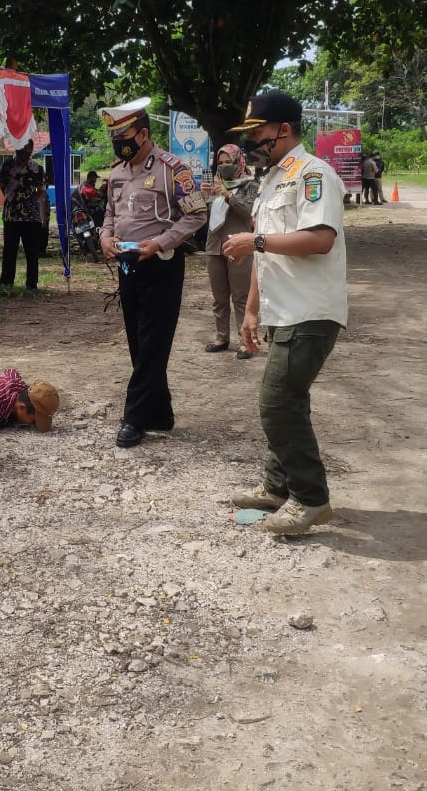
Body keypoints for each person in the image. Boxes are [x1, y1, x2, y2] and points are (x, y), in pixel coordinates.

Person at [222, 91, 348, 535]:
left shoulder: (314, 174)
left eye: (257, 132)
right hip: (282, 312)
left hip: (311, 310)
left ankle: (312, 500)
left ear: (284, 129)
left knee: (277, 402)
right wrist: (252, 311)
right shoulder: (274, 179)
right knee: (287, 401)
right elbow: (267, 255)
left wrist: (254, 242)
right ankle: (278, 488)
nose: (252, 141)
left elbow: (320, 238)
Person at [98, 97, 208, 448]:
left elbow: (196, 215)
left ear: (144, 133)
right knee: (137, 341)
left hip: (161, 265)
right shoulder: (117, 172)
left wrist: (160, 242)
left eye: (124, 134)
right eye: (114, 135)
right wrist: (105, 237)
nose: (119, 141)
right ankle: (160, 411)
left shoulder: (173, 169)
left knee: (153, 344)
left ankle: (135, 417)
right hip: (128, 266)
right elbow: (111, 216)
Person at [202, 143, 257, 360]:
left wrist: (228, 195)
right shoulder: (215, 185)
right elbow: (200, 214)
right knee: (219, 297)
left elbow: (249, 212)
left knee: (241, 296)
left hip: (239, 246)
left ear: (238, 162)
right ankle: (221, 337)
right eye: (220, 162)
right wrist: (203, 195)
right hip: (214, 247)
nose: (224, 166)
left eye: (229, 162)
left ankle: (246, 342)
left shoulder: (249, 185)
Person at [0, 139, 48, 291]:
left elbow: (41, 192)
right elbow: (2, 186)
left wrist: (41, 216)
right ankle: (6, 282)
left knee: (32, 252)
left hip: (31, 217)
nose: (23, 150)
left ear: (31, 149)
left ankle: (32, 284)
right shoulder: (7, 166)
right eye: (21, 147)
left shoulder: (37, 169)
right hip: (11, 216)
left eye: (27, 147)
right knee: (9, 251)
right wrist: (12, 199)